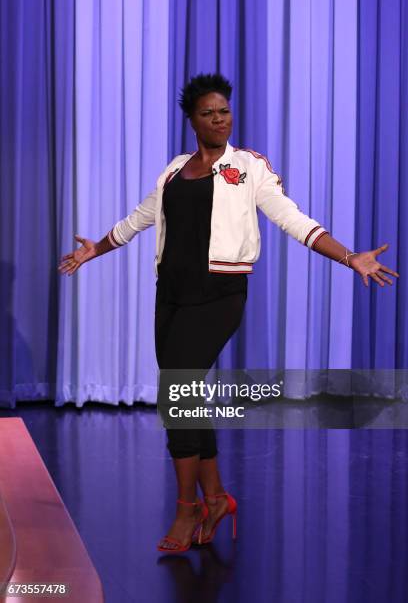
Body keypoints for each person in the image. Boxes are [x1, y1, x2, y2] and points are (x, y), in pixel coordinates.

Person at [58, 73, 399, 553]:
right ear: (191, 119)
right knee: (187, 394)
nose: (219, 119)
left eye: (224, 111)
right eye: (208, 113)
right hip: (171, 294)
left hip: (219, 295)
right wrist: (97, 248)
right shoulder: (175, 170)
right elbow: (139, 219)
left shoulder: (249, 166)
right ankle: (216, 498)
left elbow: (292, 218)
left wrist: (349, 257)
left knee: (173, 397)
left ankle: (186, 509)